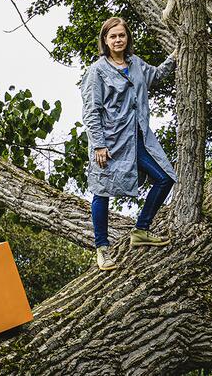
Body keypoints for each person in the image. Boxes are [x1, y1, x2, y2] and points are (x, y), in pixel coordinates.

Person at [80, 16, 178, 271]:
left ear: (127, 38)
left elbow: (156, 76)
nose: (118, 40)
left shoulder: (135, 65)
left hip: (137, 137)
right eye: (112, 36)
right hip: (109, 141)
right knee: (101, 191)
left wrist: (177, 55)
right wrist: (99, 145)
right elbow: (91, 111)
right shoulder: (97, 71)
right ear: (105, 40)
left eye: (121, 35)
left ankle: (141, 229)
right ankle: (102, 249)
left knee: (165, 177)